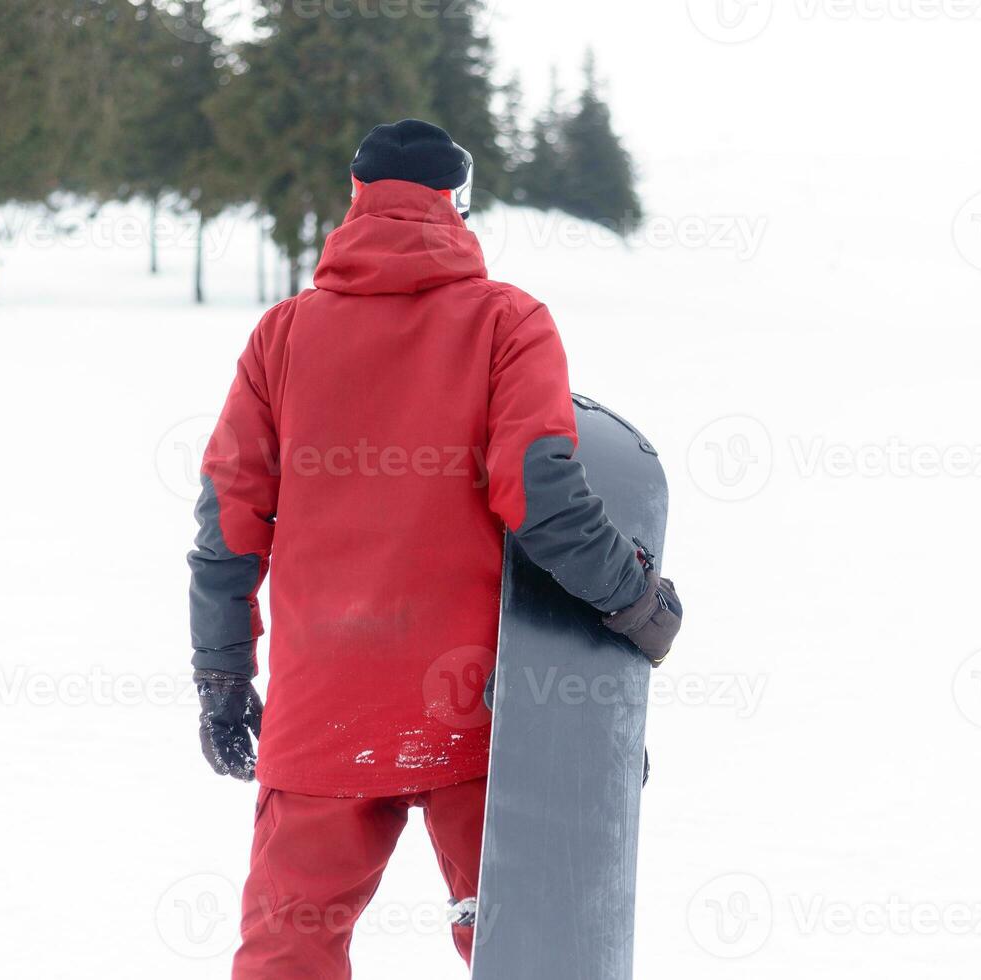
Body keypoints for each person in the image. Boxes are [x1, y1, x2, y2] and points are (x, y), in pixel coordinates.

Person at [186, 119, 684, 979]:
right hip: (484, 711)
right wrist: (633, 602)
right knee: (523, 948)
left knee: (288, 952)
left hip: (325, 707)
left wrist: (223, 677)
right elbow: (542, 498)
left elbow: (227, 528)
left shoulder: (283, 337)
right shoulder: (508, 323)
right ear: (459, 201)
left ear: (356, 197)